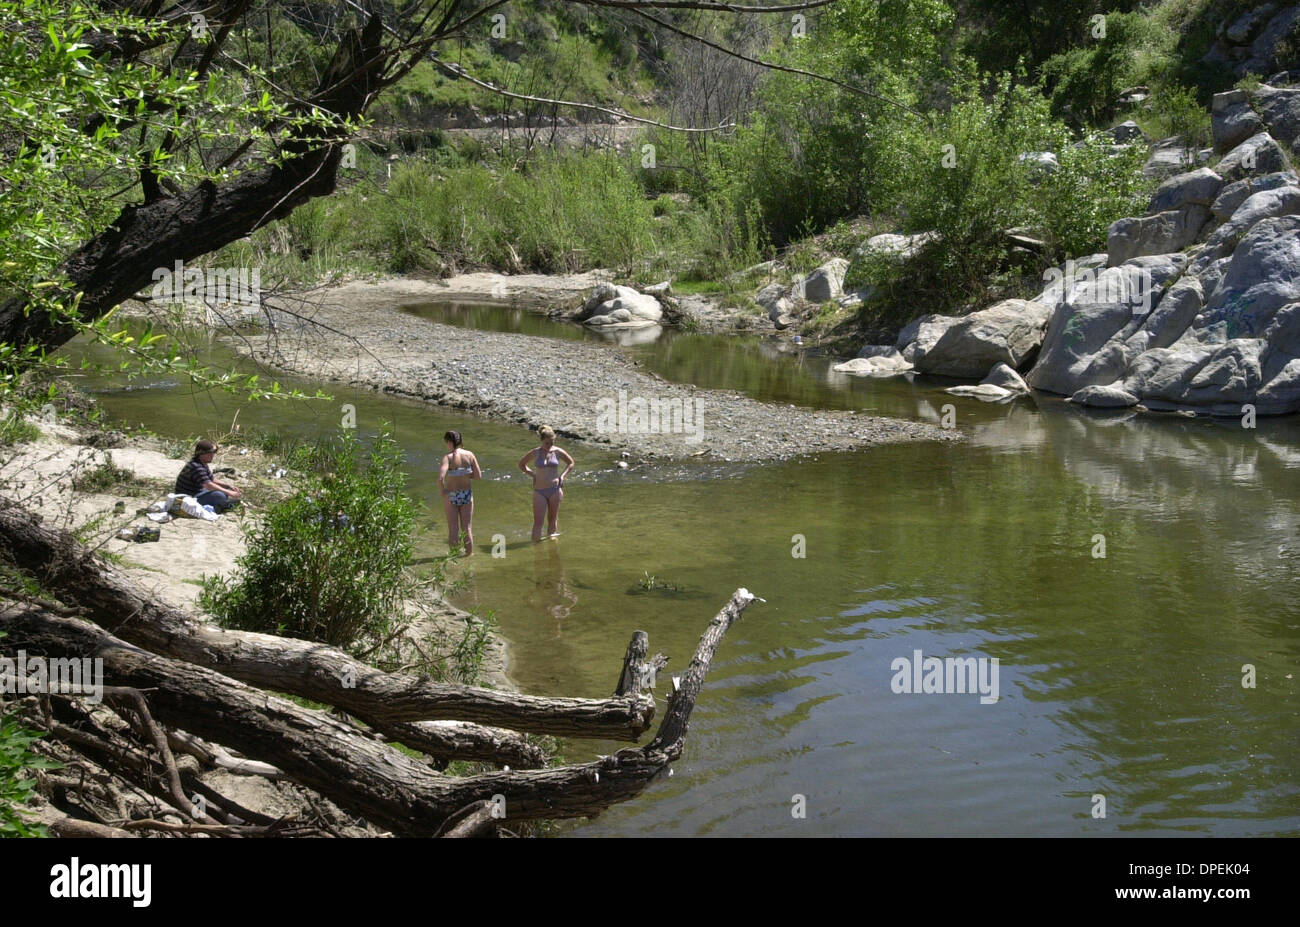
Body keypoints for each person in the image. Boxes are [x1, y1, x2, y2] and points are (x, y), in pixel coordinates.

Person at [518, 425, 573, 542]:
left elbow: (571, 463)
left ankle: (552, 548)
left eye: (552, 443)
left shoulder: (557, 451)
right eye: (547, 443)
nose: (549, 446)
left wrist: (562, 476)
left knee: (552, 519)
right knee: (538, 522)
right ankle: (536, 549)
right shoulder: (535, 452)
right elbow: (521, 464)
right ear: (542, 441)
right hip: (540, 491)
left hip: (555, 489)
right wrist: (533, 474)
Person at [438, 429, 481, 553]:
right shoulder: (470, 455)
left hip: (452, 495)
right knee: (467, 528)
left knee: (453, 528)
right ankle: (469, 556)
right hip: (467, 494)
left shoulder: (448, 458)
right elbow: (478, 476)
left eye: (446, 443)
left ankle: (454, 558)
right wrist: (465, 475)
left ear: (449, 442)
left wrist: (443, 492)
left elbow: (440, 478)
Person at [175, 439, 241, 513]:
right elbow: (208, 485)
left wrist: (228, 486)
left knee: (223, 493)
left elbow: (212, 479)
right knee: (220, 495)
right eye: (211, 453)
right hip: (188, 497)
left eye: (214, 452)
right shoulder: (196, 466)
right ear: (202, 454)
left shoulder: (202, 463)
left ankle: (222, 504)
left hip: (197, 492)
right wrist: (229, 492)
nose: (213, 455)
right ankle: (221, 506)